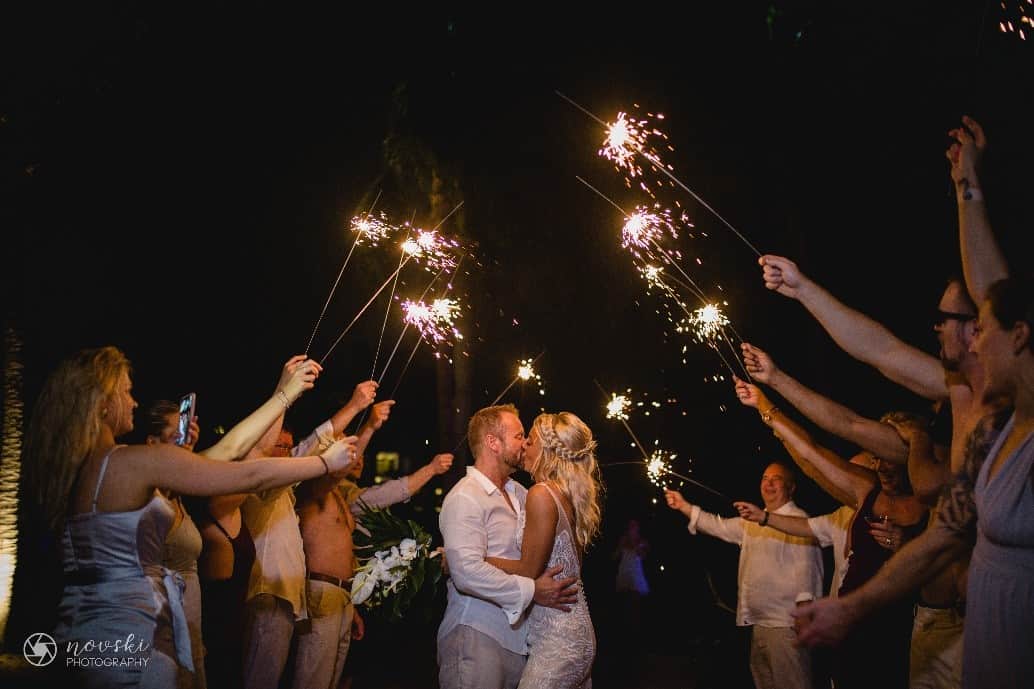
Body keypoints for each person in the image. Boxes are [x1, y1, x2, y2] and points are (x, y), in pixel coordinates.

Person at [21, 347, 357, 689]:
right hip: (136, 634)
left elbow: (228, 451)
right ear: (102, 402)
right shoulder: (134, 462)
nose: (134, 402)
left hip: (85, 632)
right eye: (126, 391)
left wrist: (283, 395)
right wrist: (325, 463)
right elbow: (246, 475)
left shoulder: (83, 469)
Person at [793, 277, 1034, 689]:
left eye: (981, 329)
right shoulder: (990, 430)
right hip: (983, 652)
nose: (975, 345)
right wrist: (851, 607)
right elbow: (945, 534)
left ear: (1019, 335)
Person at [291, 397, 454, 689]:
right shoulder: (311, 489)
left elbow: (386, 493)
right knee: (313, 680)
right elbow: (352, 478)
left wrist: (350, 607)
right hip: (320, 590)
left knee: (333, 680)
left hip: (343, 596)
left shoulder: (345, 497)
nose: (355, 456)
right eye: (346, 449)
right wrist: (368, 427)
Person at [239, 380, 375, 689]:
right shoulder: (262, 485)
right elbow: (312, 446)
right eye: (281, 447)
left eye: (289, 448)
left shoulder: (283, 491)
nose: (288, 454)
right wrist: (354, 407)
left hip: (289, 598)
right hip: (268, 596)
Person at [437, 403, 581, 689]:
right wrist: (533, 591)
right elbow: (466, 572)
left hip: (521, 640)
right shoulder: (466, 496)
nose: (526, 443)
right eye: (518, 435)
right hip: (476, 634)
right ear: (493, 442)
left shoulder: (520, 493)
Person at [664, 461, 823, 689]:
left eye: (775, 479)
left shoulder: (799, 520)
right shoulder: (753, 521)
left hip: (786, 626)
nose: (768, 484)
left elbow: (808, 568)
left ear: (791, 487)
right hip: (758, 624)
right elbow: (717, 525)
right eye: (764, 478)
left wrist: (805, 612)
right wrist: (683, 506)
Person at [485, 411, 603, 688]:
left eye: (532, 440)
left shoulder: (542, 494)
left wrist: (475, 559)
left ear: (548, 451)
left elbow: (529, 569)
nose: (525, 444)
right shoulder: (564, 495)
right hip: (566, 633)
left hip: (560, 641)